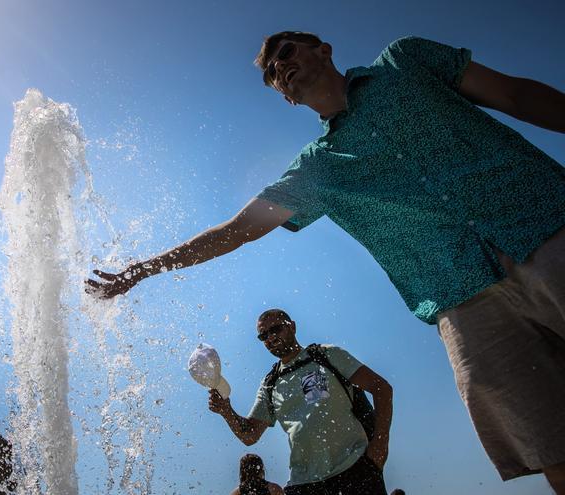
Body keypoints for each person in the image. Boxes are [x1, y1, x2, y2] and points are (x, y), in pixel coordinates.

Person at [86, 31, 565, 490]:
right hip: (463, 298)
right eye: (273, 73)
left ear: (323, 50)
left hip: (545, 228)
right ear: (286, 98)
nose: (281, 67)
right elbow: (237, 230)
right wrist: (142, 270)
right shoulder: (316, 170)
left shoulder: (405, 61)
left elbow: (516, 96)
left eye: (287, 52)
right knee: (553, 452)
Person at [209, 309, 392, 495]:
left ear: (293, 327)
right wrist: (226, 410)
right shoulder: (270, 383)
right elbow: (249, 435)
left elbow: (381, 388)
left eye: (276, 330)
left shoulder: (325, 356)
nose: (270, 337)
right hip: (304, 483)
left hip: (354, 470)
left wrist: (380, 445)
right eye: (264, 335)